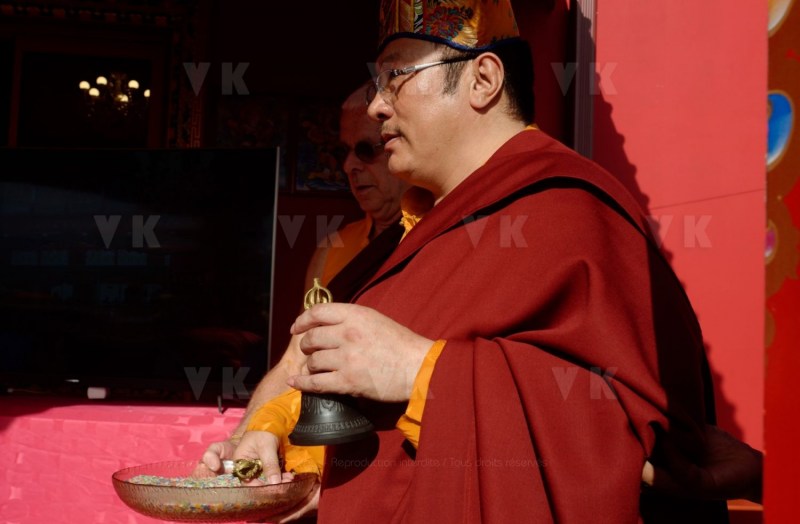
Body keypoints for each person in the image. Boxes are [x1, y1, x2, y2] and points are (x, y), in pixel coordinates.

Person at [237, 2, 762, 522]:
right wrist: (269, 437)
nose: (377, 106)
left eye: (396, 75)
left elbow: (630, 434)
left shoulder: (569, 215)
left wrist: (418, 368)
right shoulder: (407, 234)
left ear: (483, 79)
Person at [199, 82, 407, 488]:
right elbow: (296, 361)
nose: (349, 165)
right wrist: (242, 440)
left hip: (370, 473)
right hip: (299, 469)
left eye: (366, 149)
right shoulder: (334, 248)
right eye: (343, 151)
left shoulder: (437, 241)